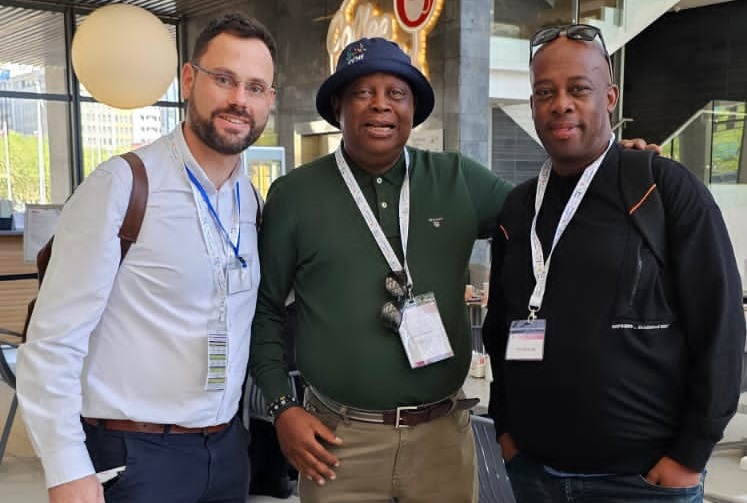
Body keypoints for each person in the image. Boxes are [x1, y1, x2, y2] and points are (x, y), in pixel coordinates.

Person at [16, 13, 276, 503]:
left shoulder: (251, 201)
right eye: (224, 79)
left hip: (225, 452)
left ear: (270, 101)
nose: (239, 99)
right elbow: (52, 342)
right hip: (134, 456)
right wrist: (66, 466)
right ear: (188, 79)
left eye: (255, 87)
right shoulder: (123, 185)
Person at [482, 23, 746, 503]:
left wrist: (690, 455)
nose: (560, 103)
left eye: (578, 89)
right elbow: (501, 324)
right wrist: (506, 429)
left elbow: (721, 327)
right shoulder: (520, 207)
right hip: (534, 474)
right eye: (545, 91)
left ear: (609, 96)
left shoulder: (662, 188)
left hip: (641, 482)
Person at [249, 36, 513, 502]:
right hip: (336, 442)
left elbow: (545, 213)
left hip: (441, 442)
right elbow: (265, 310)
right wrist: (282, 407)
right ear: (339, 106)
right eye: (362, 93)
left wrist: (618, 164)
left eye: (396, 94)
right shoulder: (295, 196)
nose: (380, 106)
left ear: (413, 108)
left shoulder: (457, 179)